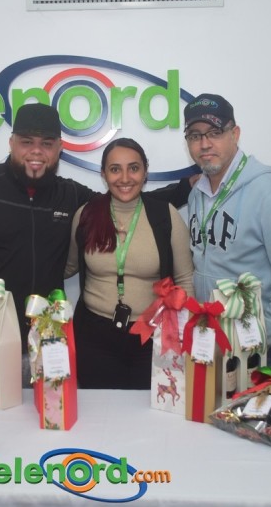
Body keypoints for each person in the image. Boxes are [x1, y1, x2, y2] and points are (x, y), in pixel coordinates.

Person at [0, 103, 191, 383]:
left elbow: (124, 200)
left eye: (47, 143)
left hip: (45, 341)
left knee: (49, 412)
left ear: (59, 148)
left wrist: (183, 190)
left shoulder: (69, 195)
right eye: (27, 142)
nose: (37, 151)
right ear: (12, 143)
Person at [184, 93, 271, 369]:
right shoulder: (197, 194)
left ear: (235, 133)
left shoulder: (270, 192)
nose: (204, 144)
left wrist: (262, 338)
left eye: (215, 132)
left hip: (260, 349)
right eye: (195, 136)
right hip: (213, 341)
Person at [65, 138, 194, 389]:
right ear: (103, 174)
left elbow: (185, 280)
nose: (125, 178)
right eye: (115, 169)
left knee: (150, 408)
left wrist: (182, 333)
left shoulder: (166, 215)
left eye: (133, 168)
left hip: (153, 335)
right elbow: (69, 266)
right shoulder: (86, 215)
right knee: (100, 408)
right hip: (94, 336)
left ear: (145, 172)